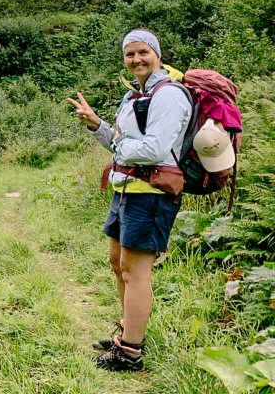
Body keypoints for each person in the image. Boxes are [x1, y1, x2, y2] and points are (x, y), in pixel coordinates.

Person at [66, 28, 191, 372]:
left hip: (151, 195)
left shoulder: (170, 95)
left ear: (157, 54)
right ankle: (128, 328)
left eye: (142, 52)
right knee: (118, 263)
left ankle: (131, 351)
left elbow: (153, 149)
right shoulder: (134, 97)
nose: (136, 59)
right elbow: (121, 143)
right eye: (129, 54)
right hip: (126, 191)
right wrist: (97, 125)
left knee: (136, 272)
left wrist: (121, 144)